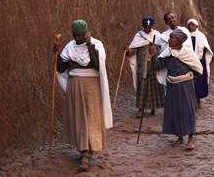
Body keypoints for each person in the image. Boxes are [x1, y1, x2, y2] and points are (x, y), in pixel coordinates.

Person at [53, 19, 113, 171]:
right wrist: (56, 53)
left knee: (91, 118)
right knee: (79, 118)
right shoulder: (69, 47)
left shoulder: (96, 45)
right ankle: (83, 149)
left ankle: (87, 156)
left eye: (81, 35)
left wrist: (89, 44)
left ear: (87, 34)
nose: (78, 38)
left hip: (91, 86)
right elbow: (60, 68)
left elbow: (97, 63)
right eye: (76, 35)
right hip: (74, 87)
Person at [151, 29, 203, 150]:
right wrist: (153, 56)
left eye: (171, 38)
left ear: (178, 41)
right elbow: (156, 66)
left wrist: (188, 78)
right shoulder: (167, 53)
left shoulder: (188, 53)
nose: (169, 40)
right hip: (172, 86)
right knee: (175, 111)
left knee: (187, 110)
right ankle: (180, 138)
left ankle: (190, 140)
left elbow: (198, 70)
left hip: (185, 86)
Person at [124, 16, 165, 118]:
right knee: (142, 88)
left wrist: (156, 53)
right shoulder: (139, 36)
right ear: (143, 26)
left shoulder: (157, 35)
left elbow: (162, 48)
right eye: (146, 26)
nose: (147, 29)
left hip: (154, 65)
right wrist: (128, 50)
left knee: (154, 88)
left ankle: (153, 108)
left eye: (149, 26)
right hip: (143, 66)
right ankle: (140, 110)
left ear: (152, 26)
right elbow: (133, 51)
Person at [187, 19, 214, 110]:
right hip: (190, 61)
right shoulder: (186, 36)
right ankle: (191, 101)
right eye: (189, 25)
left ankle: (198, 101)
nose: (191, 26)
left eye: (192, 24)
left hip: (200, 62)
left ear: (196, 26)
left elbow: (206, 48)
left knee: (199, 81)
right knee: (190, 81)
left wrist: (201, 55)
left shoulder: (201, 36)